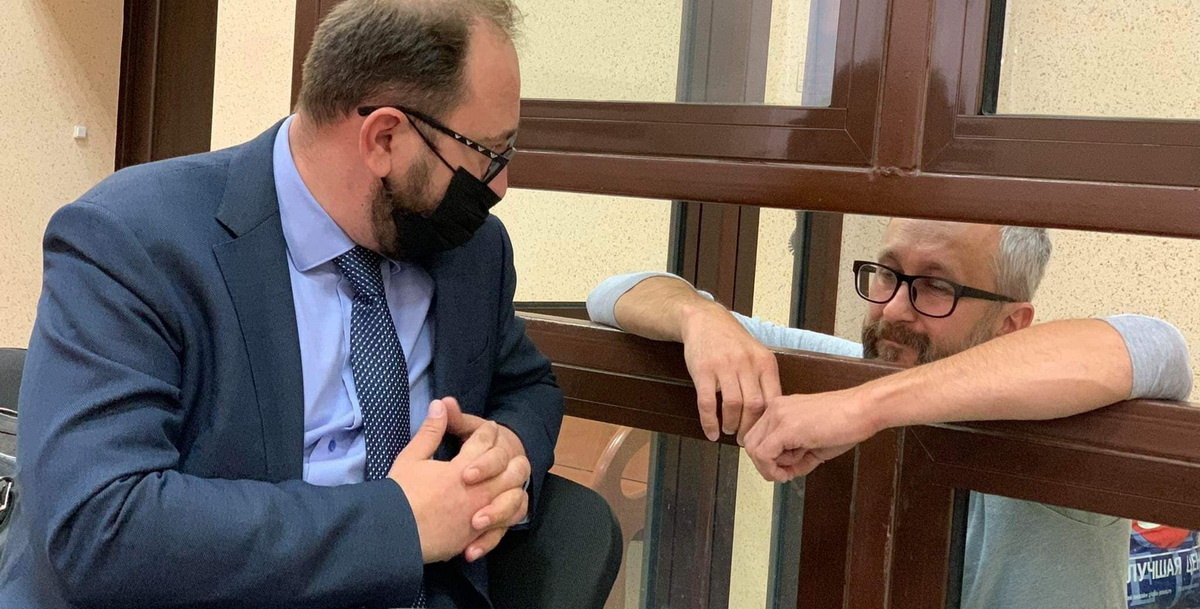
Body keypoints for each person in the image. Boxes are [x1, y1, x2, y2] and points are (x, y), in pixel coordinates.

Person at [0, 1, 563, 608]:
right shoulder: (132, 240)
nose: (498, 186)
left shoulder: (470, 250)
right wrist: (396, 523)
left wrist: (507, 455)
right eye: (486, 153)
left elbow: (527, 387)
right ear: (384, 138)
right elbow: (100, 526)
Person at [587, 218, 1193, 609]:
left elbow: (1156, 346)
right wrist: (701, 319)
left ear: (1011, 323)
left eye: (936, 287)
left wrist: (867, 409)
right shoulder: (849, 372)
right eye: (886, 274)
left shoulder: (1059, 406)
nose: (894, 309)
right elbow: (615, 293)